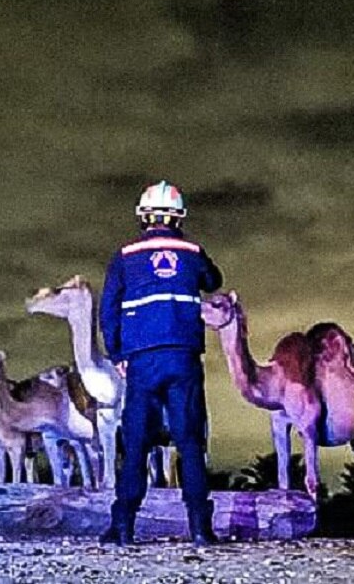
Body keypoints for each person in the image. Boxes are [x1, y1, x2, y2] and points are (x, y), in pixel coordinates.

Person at [98, 180, 223, 546]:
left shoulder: (124, 256)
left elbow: (108, 310)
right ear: (178, 217)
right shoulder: (192, 251)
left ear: (143, 216)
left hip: (142, 359)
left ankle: (123, 526)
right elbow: (214, 281)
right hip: (183, 356)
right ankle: (200, 529)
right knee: (190, 441)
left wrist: (117, 354)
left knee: (136, 442)